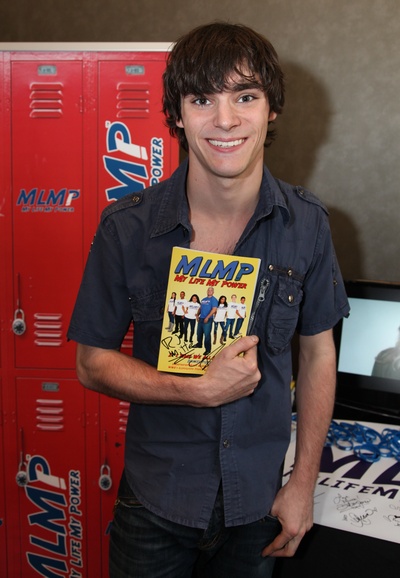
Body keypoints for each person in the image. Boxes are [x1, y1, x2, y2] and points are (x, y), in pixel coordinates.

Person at [67, 21, 350, 578]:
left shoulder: (308, 225)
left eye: (245, 96)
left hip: (259, 504)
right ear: (176, 114)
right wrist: (193, 390)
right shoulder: (126, 228)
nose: (225, 120)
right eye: (202, 99)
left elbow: (319, 354)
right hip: (156, 499)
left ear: (271, 109)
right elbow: (90, 363)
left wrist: (302, 484)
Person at [194, 286, 218, 355]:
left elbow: (214, 309)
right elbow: (200, 308)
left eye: (211, 290)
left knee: (207, 335)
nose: (209, 291)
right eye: (208, 290)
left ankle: (208, 349)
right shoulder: (203, 299)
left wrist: (207, 317)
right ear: (207, 291)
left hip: (208, 319)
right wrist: (197, 315)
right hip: (201, 318)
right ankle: (199, 344)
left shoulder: (214, 300)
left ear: (213, 292)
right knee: (199, 333)